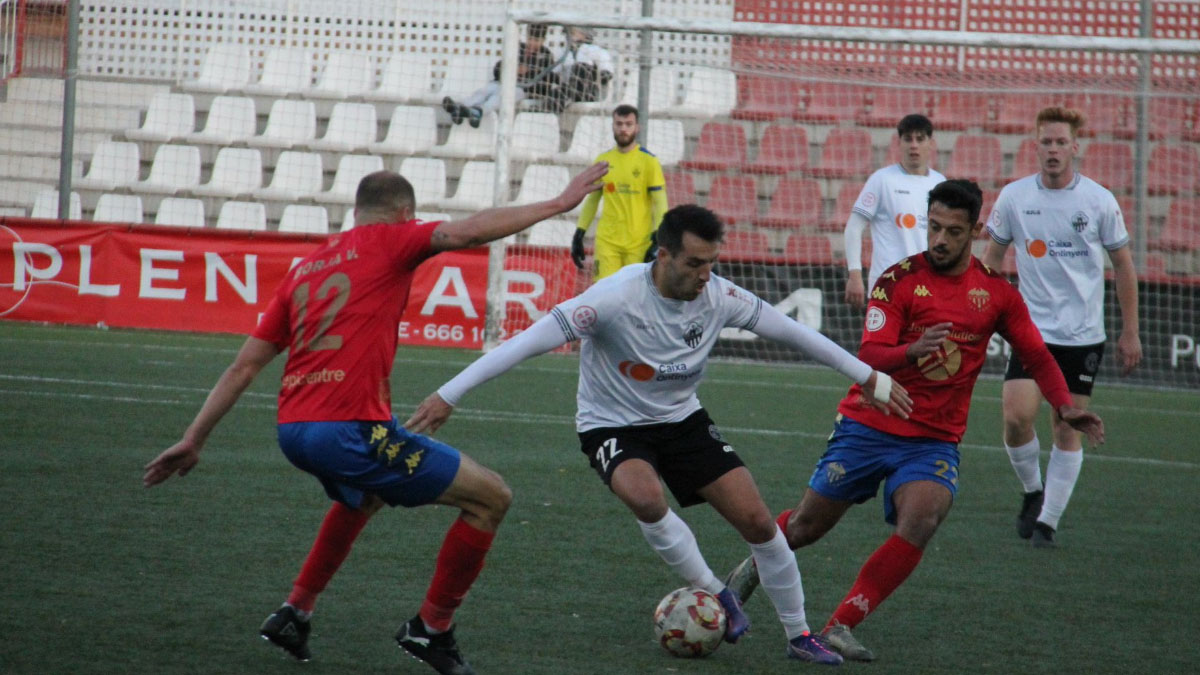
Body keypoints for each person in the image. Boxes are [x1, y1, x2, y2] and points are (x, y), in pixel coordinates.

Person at [143, 162, 608, 675]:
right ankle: (431, 629)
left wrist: (193, 439)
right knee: (491, 497)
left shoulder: (307, 268)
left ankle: (296, 611)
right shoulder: (392, 240)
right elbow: (465, 231)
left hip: (294, 430)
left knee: (367, 494)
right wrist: (557, 205)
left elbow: (244, 365)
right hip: (347, 430)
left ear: (356, 212)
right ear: (404, 215)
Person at [406, 204, 913, 666]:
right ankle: (717, 592)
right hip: (611, 423)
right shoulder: (612, 298)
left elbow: (796, 334)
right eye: (694, 263)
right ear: (663, 255)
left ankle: (800, 634)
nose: (704, 274)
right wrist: (449, 394)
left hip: (681, 420)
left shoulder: (719, 296)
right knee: (645, 497)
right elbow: (525, 342)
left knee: (759, 521)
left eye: (711, 262)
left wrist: (871, 377)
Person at [725, 180, 1105, 662]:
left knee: (922, 518)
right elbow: (869, 355)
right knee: (804, 528)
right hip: (869, 423)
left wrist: (1064, 404)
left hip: (933, 439)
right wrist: (911, 351)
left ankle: (841, 624)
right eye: (934, 227)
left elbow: (1036, 352)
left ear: (976, 231)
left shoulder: (995, 294)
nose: (940, 239)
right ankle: (746, 575)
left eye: (952, 230)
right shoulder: (897, 279)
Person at [981, 106, 1141, 547]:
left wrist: (1131, 330)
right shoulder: (1014, 198)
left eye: (1060, 142)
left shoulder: (1098, 201)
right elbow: (991, 263)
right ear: (1036, 146)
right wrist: (984, 313)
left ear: (1075, 147)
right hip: (1030, 331)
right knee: (1016, 418)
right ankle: (1033, 491)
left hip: (1083, 335)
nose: (1052, 150)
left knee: (1066, 426)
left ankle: (1047, 523)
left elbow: (1124, 266)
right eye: (1045, 142)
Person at [844, 114, 947, 309]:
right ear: (899, 143)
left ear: (931, 143)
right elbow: (853, 228)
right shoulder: (882, 180)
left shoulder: (940, 183)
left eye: (920, 139)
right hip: (887, 286)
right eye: (908, 139)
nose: (913, 145)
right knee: (883, 341)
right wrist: (855, 275)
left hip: (929, 287)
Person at [571, 104, 669, 280]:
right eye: (619, 123)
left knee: (634, 297)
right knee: (604, 295)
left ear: (637, 127)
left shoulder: (649, 161)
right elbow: (593, 199)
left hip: (638, 243)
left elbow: (660, 201)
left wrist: (658, 236)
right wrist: (580, 231)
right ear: (612, 126)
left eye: (628, 124)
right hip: (607, 242)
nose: (623, 129)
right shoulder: (603, 161)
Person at [442, 23, 558, 128]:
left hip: (522, 89)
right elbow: (497, 69)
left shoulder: (546, 56)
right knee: (484, 91)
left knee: (500, 97)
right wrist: (511, 69)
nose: (532, 43)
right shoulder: (518, 48)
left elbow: (545, 84)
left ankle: (478, 112)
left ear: (543, 40)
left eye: (536, 40)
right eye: (530, 39)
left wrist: (528, 73)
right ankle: (460, 108)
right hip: (502, 82)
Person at [546, 25, 615, 113]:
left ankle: (573, 94)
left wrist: (603, 75)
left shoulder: (595, 50)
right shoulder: (563, 52)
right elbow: (554, 71)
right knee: (555, 93)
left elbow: (606, 68)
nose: (569, 35)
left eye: (573, 32)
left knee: (580, 67)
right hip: (567, 89)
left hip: (587, 90)